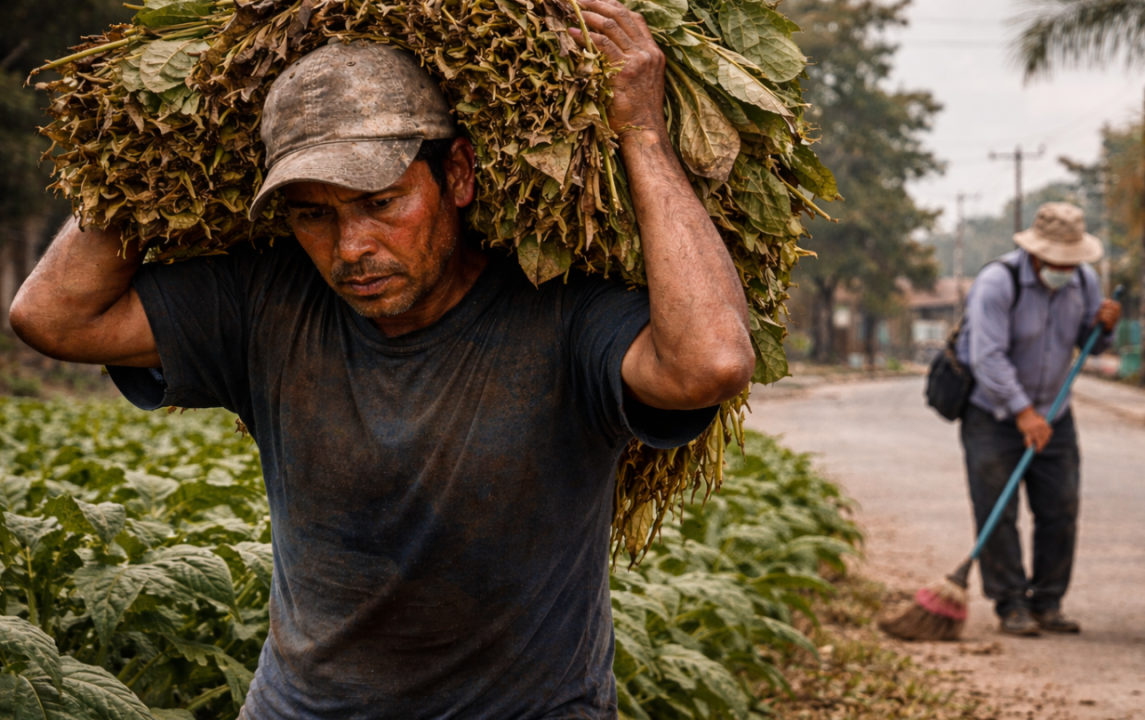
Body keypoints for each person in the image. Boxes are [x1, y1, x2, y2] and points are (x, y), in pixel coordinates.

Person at [9, 2, 755, 717]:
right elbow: (53, 319)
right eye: (314, 214)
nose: (351, 249)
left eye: (380, 202)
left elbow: (711, 363)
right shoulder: (267, 304)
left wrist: (643, 132)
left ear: (457, 175)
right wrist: (150, 150)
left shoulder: (559, 313)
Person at [954, 202, 1121, 637]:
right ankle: (1010, 603)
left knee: (1061, 508)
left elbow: (1092, 345)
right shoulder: (997, 283)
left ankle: (1048, 600)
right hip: (992, 414)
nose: (1064, 268)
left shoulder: (1084, 280)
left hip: (1055, 413)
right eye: (1056, 261)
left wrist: (1105, 327)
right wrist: (1023, 413)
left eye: (1071, 261)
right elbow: (986, 357)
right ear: (1035, 253)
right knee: (997, 509)